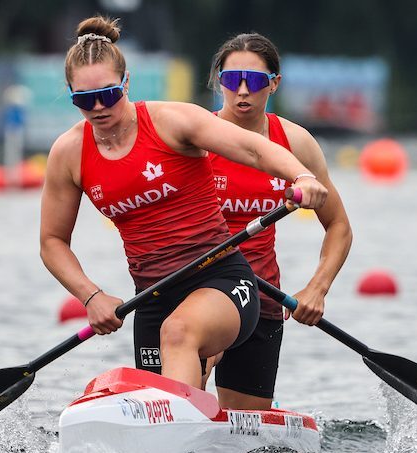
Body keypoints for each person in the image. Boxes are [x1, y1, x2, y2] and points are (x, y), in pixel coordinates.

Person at [39, 16, 329, 390]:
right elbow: (52, 242)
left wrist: (302, 176)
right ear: (70, 93)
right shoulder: (68, 153)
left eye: (109, 94)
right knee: (167, 357)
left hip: (223, 280)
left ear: (127, 83)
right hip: (152, 298)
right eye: (84, 99)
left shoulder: (171, 121)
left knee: (178, 332)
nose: (98, 108)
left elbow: (253, 149)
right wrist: (91, 296)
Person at [203, 33, 353, 409]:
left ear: (274, 83)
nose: (241, 91)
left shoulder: (296, 144)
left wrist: (316, 289)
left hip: (262, 298)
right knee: (191, 364)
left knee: (246, 432)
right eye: (230, 79)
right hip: (199, 286)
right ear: (218, 80)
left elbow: (339, 227)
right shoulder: (194, 139)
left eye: (253, 81)